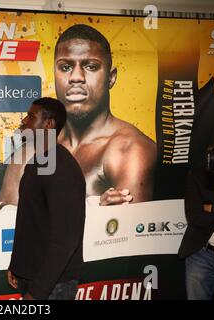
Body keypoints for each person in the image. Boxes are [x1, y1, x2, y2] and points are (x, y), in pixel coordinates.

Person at [55, 24, 156, 205]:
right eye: (65, 67)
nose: (76, 77)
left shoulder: (129, 149)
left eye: (91, 66)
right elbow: (2, 219)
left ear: (111, 78)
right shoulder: (37, 146)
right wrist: (96, 208)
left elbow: (125, 230)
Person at [7, 97, 85, 300]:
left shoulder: (62, 169)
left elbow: (66, 240)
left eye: (31, 117)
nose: (24, 121)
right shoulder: (38, 162)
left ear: (49, 125)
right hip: (32, 278)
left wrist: (38, 292)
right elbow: (29, 220)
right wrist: (17, 265)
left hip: (52, 286)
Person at [178, 126, 214, 300]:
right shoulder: (198, 175)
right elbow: (194, 216)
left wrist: (212, 208)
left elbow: (204, 213)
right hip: (201, 255)